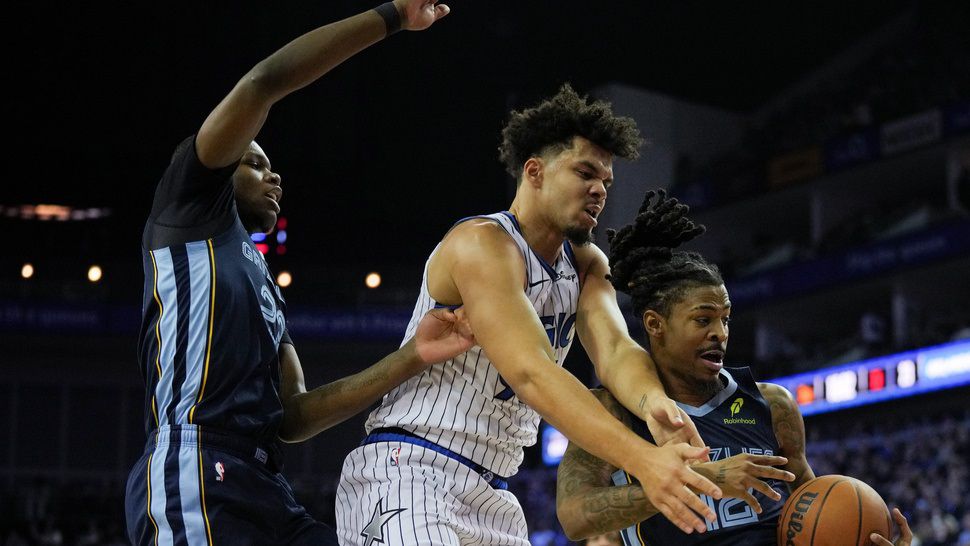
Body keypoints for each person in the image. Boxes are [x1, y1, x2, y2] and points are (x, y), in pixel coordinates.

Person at [124, 2, 459, 545]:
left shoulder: (259, 281)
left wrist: (412, 356)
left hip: (266, 485)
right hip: (195, 465)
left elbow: (294, 416)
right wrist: (392, 15)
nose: (273, 173)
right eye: (254, 161)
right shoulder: (186, 207)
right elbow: (262, 83)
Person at [336, 85, 724, 546]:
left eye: (606, 181)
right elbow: (531, 371)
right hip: (410, 468)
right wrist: (643, 460)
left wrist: (653, 405)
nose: (599, 189)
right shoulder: (481, 243)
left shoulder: (586, 264)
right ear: (535, 172)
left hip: (495, 493)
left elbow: (616, 350)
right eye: (585, 172)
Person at [554, 190, 913, 546]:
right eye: (703, 320)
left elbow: (811, 515)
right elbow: (574, 515)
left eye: (725, 318)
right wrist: (675, 481)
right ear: (654, 324)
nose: (720, 333)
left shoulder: (773, 405)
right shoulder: (614, 410)